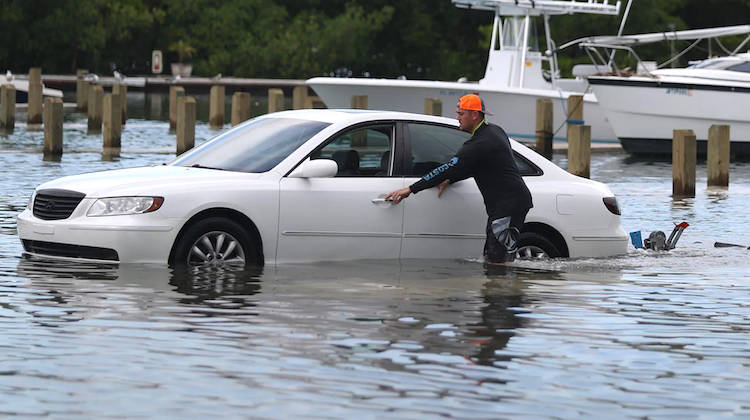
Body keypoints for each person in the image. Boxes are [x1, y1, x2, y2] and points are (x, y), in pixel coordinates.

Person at [384, 93, 533, 264]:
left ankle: (504, 291)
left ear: (474, 115)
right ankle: (505, 288)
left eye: (461, 114)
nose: (457, 118)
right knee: (495, 258)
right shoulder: (494, 131)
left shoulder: (479, 143)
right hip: (508, 204)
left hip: (509, 205)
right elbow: (481, 165)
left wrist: (410, 189)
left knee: (497, 261)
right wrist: (452, 178)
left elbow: (447, 168)